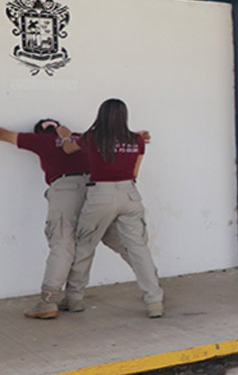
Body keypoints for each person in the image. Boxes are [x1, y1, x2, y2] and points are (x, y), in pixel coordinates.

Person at [0, 119, 137, 319]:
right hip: (95, 190)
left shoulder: (40, 140)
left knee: (62, 245)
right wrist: (138, 135)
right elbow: (117, 140)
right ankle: (152, 286)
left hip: (65, 190)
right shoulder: (84, 138)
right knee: (118, 239)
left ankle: (48, 302)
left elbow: (4, 134)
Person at [61, 99, 164, 318]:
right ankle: (155, 301)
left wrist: (63, 135)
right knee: (138, 248)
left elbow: (69, 148)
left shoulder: (92, 137)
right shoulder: (137, 140)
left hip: (100, 195)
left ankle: (74, 299)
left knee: (85, 244)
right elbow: (135, 173)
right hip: (130, 194)